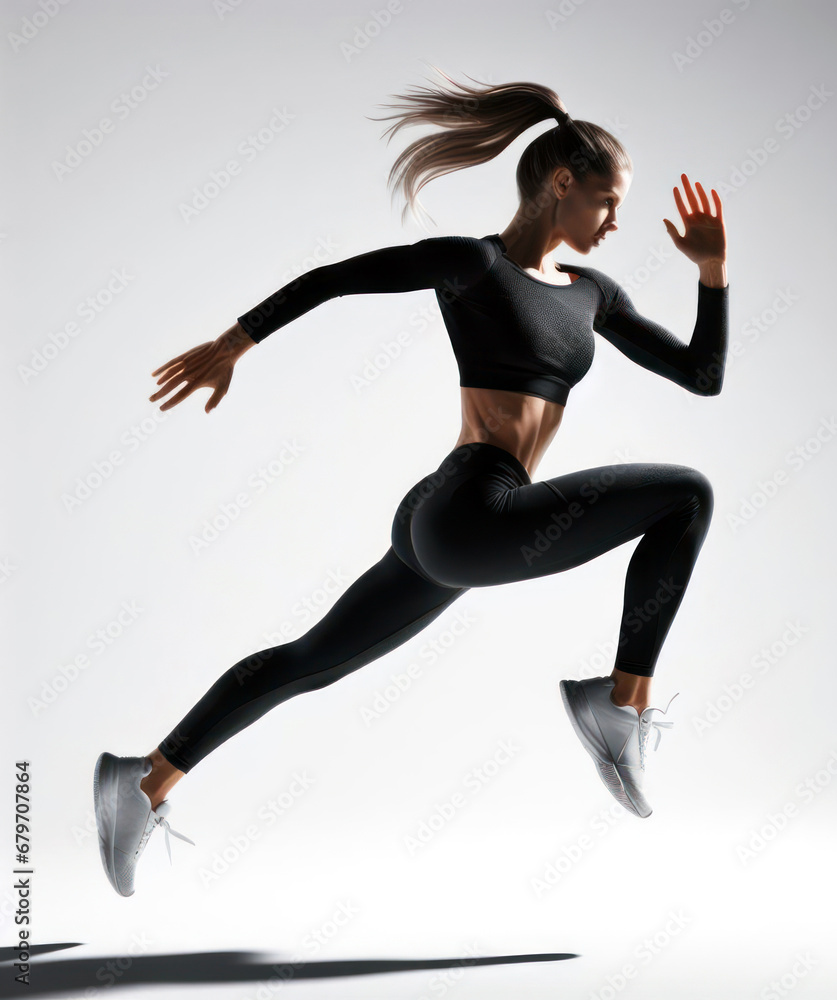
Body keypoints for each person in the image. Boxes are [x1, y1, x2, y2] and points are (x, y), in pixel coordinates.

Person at [93, 71, 728, 896]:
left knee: (309, 661)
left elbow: (701, 375)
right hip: (471, 507)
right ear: (562, 184)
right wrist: (234, 343)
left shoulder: (593, 295)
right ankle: (622, 703)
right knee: (687, 495)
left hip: (453, 522)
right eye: (608, 202)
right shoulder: (472, 264)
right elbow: (334, 277)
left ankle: (142, 781)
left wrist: (712, 274)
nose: (614, 223)